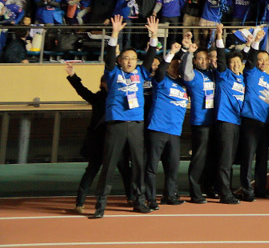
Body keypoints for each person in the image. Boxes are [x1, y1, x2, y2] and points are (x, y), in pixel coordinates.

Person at [92, 15, 158, 219]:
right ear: (121, 61)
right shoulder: (113, 74)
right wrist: (114, 34)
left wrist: (154, 35)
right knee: (109, 165)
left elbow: (151, 58)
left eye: (132, 58)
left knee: (138, 165)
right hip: (117, 125)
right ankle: (100, 205)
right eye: (126, 58)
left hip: (136, 125)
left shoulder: (141, 72)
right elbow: (110, 56)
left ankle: (139, 201)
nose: (129, 61)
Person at [65, 60, 133, 214]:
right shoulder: (98, 98)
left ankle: (131, 198)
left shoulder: (123, 96)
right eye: (107, 82)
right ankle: (79, 203)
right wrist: (73, 75)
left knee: (125, 170)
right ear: (102, 84)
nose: (111, 84)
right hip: (98, 142)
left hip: (117, 141)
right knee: (91, 171)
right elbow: (82, 91)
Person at [144, 31, 190, 209]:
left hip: (174, 132)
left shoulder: (183, 85)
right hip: (157, 129)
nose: (176, 68)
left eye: (178, 66)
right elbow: (161, 69)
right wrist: (171, 53)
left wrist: (186, 49)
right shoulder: (161, 80)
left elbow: (188, 69)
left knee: (172, 167)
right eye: (173, 65)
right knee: (152, 167)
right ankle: (150, 198)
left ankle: (169, 195)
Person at [239, 29, 269, 200]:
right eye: (260, 60)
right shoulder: (250, 72)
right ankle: (246, 190)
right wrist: (256, 42)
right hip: (250, 120)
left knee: (262, 158)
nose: (262, 62)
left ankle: (260, 189)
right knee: (248, 157)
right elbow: (250, 59)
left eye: (265, 60)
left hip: (265, 123)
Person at [214, 23, 245, 205]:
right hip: (225, 121)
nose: (235, 65)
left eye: (237, 63)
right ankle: (224, 193)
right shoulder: (224, 75)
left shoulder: (242, 78)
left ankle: (228, 189)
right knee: (225, 160)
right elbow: (220, 58)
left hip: (237, 123)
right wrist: (219, 37)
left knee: (231, 159)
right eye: (232, 62)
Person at [181, 37, 216, 203]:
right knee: (199, 158)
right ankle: (195, 192)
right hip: (200, 123)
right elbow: (185, 70)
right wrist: (189, 52)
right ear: (195, 61)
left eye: (206, 58)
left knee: (211, 159)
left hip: (215, 122)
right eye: (200, 58)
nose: (203, 61)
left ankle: (209, 188)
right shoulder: (193, 76)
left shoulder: (213, 75)